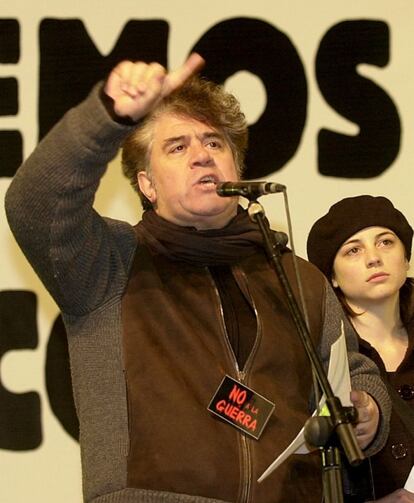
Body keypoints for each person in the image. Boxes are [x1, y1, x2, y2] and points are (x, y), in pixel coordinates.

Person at [5, 54, 390, 503]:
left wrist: (370, 409)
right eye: (178, 147)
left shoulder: (297, 277)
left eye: (214, 143)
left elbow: (353, 369)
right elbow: (34, 205)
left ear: (237, 169)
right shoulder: (107, 262)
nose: (202, 155)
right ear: (146, 185)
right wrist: (108, 117)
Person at [307, 195, 414, 502]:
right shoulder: (320, 355)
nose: (373, 258)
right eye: (353, 250)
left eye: (385, 242)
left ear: (406, 258)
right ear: (332, 278)